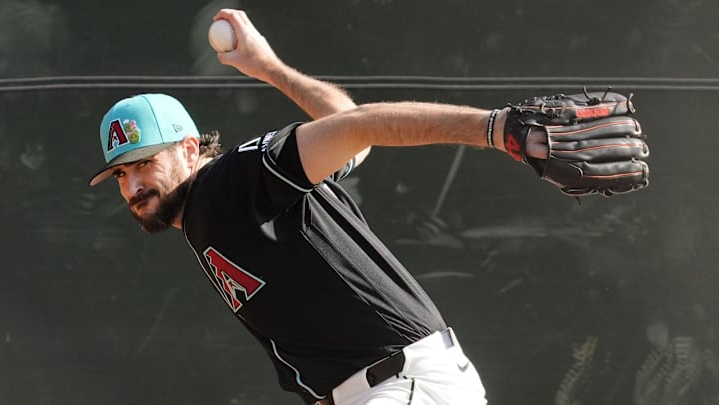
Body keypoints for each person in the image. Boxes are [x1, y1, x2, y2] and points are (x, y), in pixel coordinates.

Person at [89, 8, 548, 405]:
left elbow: (365, 124)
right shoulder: (212, 208)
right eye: (121, 174)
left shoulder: (227, 182)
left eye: (145, 162)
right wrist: (268, 68)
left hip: (399, 384)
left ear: (190, 149)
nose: (133, 185)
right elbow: (347, 129)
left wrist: (497, 129)